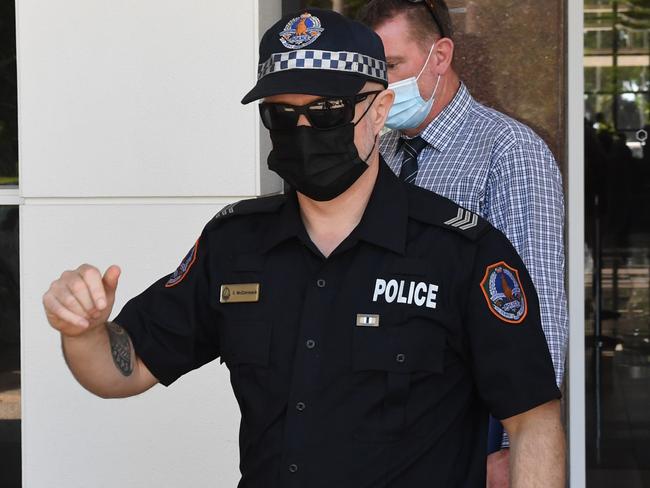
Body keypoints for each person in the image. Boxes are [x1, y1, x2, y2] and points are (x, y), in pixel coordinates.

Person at [42, 8, 565, 487]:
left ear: (379, 111)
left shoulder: (460, 250)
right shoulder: (234, 244)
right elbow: (125, 367)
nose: (304, 129)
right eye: (282, 116)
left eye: (329, 111)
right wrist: (83, 332)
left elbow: (533, 419)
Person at [357, 1, 569, 485]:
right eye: (373, 73)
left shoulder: (510, 153)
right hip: (388, 413)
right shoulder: (375, 148)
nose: (381, 88)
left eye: (392, 67)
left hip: (477, 416)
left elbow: (536, 309)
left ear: (440, 55)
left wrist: (519, 446)